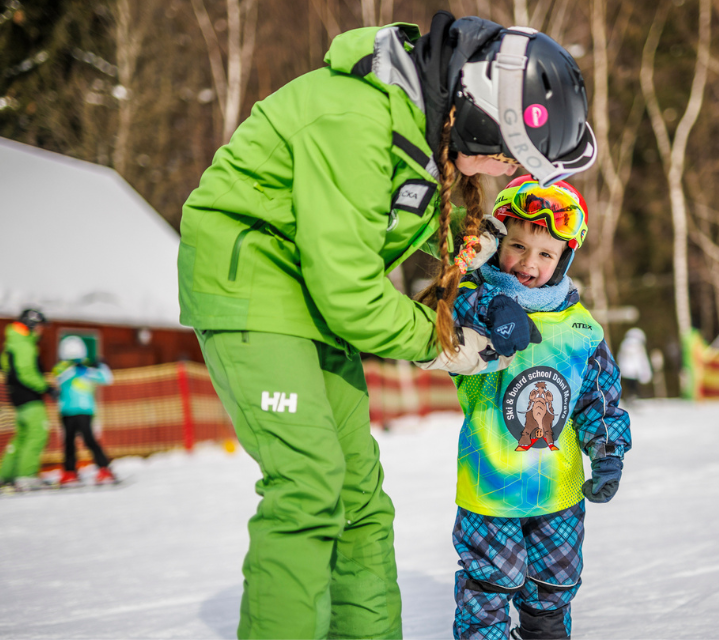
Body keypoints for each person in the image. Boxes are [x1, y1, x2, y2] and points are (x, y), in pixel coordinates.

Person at [178, 11, 597, 639]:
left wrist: (483, 272)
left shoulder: (424, 136)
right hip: (255, 291)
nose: (511, 173)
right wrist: (445, 344)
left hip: (315, 306)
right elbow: (349, 289)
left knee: (361, 502)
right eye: (511, 159)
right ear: (479, 118)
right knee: (308, 485)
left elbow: (404, 238)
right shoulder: (355, 119)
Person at [447, 175, 631, 640]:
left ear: (564, 258)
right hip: (490, 486)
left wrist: (608, 451)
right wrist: (494, 306)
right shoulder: (471, 301)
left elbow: (599, 395)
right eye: (516, 247)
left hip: (558, 492)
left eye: (545, 254)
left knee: (553, 587)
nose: (528, 263)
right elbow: (446, 306)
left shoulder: (580, 327)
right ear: (498, 244)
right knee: (488, 587)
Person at [0, 309, 54, 491]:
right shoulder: (23, 344)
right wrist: (46, 387)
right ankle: (26, 476)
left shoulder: (12, 342)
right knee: (37, 434)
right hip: (29, 398)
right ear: (31, 325)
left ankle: (6, 475)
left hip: (17, 398)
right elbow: (26, 372)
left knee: (22, 437)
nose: (41, 330)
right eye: (39, 326)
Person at [52, 335, 116, 485]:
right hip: (67, 411)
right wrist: (76, 369)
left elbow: (107, 378)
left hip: (85, 410)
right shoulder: (62, 368)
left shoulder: (87, 370)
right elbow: (60, 378)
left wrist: (101, 365)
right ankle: (69, 471)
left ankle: (104, 468)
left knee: (89, 440)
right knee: (68, 442)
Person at [617, 327, 652, 401]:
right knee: (633, 386)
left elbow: (619, 357)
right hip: (634, 371)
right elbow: (641, 360)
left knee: (629, 386)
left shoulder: (624, 344)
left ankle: (630, 397)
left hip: (625, 370)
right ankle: (632, 397)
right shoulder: (639, 346)